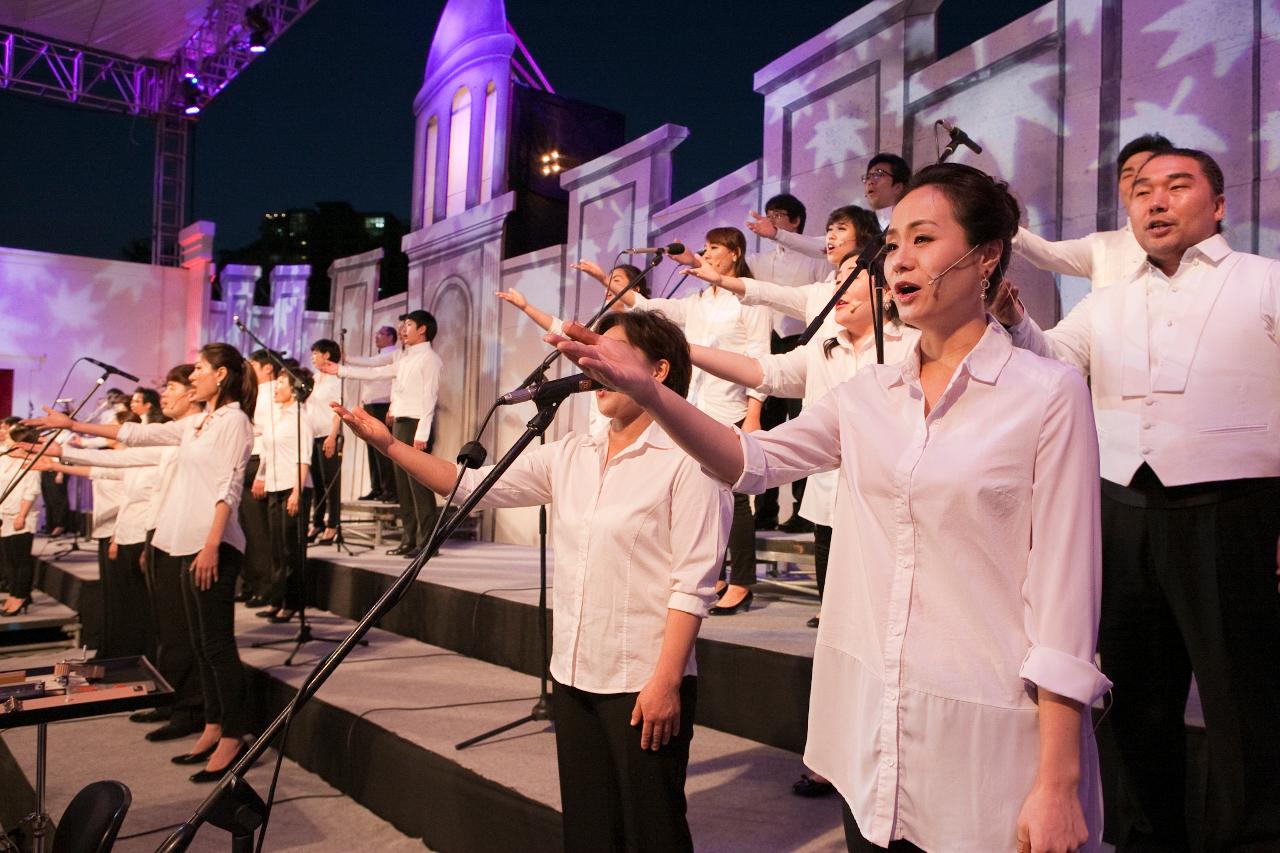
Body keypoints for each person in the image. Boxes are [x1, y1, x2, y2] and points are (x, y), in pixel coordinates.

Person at [553, 162, 1111, 852]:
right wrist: (653, 390)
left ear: (986, 254)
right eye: (894, 242)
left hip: (985, 744)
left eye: (924, 239)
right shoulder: (870, 392)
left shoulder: (1047, 392)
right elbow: (749, 463)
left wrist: (1057, 782)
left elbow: (1065, 606)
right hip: (872, 740)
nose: (900, 259)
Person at [333, 309, 730, 853]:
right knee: (590, 826)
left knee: (652, 827)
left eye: (608, 352)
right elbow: (470, 486)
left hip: (642, 679)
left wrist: (665, 683)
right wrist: (390, 446)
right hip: (573, 672)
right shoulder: (573, 453)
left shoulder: (691, 460)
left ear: (658, 371)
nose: (591, 365)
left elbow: (694, 583)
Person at [994, 147, 1280, 853]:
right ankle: (1148, 840)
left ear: (1217, 205)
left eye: (1176, 186)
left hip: (1236, 509)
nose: (1154, 201)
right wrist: (1012, 319)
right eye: (1141, 190)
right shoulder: (1111, 298)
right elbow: (1052, 360)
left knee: (1243, 704)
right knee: (1134, 704)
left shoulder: (1266, 282)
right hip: (1120, 512)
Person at [27, 343, 257, 783]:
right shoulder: (198, 423)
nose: (193, 378)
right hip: (185, 544)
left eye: (201, 370)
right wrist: (71, 427)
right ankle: (212, 724)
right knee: (200, 642)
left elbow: (230, 485)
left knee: (217, 645)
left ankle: (234, 734)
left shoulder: (234, 421)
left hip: (212, 545)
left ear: (222, 376)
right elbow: (138, 438)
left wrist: (211, 545)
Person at [604, 227, 771, 615]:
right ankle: (714, 574)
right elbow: (652, 308)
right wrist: (604, 280)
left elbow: (761, 357)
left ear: (734, 253)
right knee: (705, 492)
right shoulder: (697, 300)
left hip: (731, 404)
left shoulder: (750, 299)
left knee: (739, 497)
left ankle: (744, 580)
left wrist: (754, 414)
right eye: (705, 246)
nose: (707, 253)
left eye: (714, 247)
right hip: (696, 405)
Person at [738, 193, 830, 531]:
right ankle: (765, 509)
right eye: (769, 214)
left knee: (801, 425)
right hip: (769, 344)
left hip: (802, 341)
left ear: (795, 222)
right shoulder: (760, 260)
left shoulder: (815, 261)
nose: (771, 221)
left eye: (779, 215)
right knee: (767, 427)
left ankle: (802, 513)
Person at [320, 310, 442, 558]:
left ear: (422, 330)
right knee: (403, 485)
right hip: (401, 422)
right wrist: (342, 370)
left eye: (409, 324)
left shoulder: (430, 359)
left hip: (416, 424)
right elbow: (376, 372)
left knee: (419, 484)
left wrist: (423, 433)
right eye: (403, 324)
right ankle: (409, 538)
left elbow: (430, 398)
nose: (403, 329)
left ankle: (428, 542)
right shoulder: (407, 358)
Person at [497, 262, 647, 439]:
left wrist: (601, 277)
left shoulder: (648, 332)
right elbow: (561, 328)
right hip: (601, 433)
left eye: (615, 280)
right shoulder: (601, 332)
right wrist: (525, 307)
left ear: (636, 289)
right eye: (606, 282)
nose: (607, 288)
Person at [1015, 133, 1174, 290]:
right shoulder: (1102, 246)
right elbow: (1047, 254)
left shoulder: (1191, 243)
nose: (1137, 181)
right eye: (1128, 175)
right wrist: (1000, 221)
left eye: (1144, 172)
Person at [253, 366, 313, 623]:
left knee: (292, 549)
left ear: (295, 388)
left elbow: (304, 458)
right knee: (277, 548)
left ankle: (292, 602)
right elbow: (267, 452)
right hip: (275, 487)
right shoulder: (276, 416)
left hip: (293, 488)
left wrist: (296, 493)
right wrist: (260, 476)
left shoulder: (301, 417)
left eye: (281, 383)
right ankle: (277, 599)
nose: (276, 387)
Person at [241, 350, 282, 606]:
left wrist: (262, 474)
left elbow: (270, 438)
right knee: (245, 528)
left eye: (254, 364)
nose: (250, 369)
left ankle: (265, 587)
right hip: (247, 460)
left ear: (268, 368)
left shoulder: (273, 394)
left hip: (259, 463)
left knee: (258, 532)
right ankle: (249, 582)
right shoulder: (253, 393)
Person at [0, 425, 42, 616]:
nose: (4, 437)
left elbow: (31, 491)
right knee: (9, 558)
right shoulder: (5, 459)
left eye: (9, 436)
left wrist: (21, 515)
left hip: (21, 515)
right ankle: (13, 592)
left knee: (21, 558)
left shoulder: (31, 462)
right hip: (4, 513)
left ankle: (21, 595)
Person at [307, 339, 344, 546]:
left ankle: (333, 524)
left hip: (328, 435)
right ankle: (317, 523)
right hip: (312, 435)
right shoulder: (314, 378)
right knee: (317, 482)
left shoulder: (336, 380)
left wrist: (332, 436)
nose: (313, 357)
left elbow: (338, 411)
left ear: (327, 355)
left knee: (331, 481)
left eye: (316, 353)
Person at [357, 326, 399, 502]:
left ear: (391, 337)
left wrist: (345, 360)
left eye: (381, 334)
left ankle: (389, 489)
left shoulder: (393, 354)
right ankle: (377, 487)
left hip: (383, 405)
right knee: (372, 448)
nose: (377, 336)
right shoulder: (378, 356)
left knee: (382, 448)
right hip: (371, 405)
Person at [861, 153, 911, 231]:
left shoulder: (913, 220)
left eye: (878, 174)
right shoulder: (861, 228)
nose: (870, 181)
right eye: (868, 177)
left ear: (898, 187)